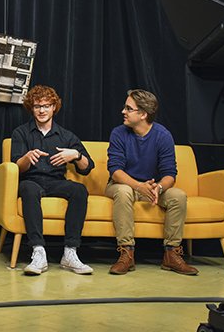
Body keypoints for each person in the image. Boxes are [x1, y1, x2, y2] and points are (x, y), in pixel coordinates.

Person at [106, 89, 198, 276]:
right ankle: (126, 253)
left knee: (178, 195)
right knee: (123, 191)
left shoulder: (162, 135)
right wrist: (139, 186)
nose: (123, 112)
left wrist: (159, 187)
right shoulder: (119, 133)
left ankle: (171, 254)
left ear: (143, 114)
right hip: (124, 185)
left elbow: (170, 173)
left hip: (151, 186)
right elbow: (115, 171)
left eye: (128, 108)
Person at [11, 85, 95, 275]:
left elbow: (87, 168)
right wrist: (27, 157)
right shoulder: (21, 133)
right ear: (31, 108)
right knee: (29, 189)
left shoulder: (66, 136)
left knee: (79, 190)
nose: (42, 110)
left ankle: (70, 252)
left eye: (46, 106)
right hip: (31, 180)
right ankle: (38, 251)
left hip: (56, 181)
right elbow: (16, 167)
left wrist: (75, 155)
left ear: (54, 107)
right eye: (37, 106)